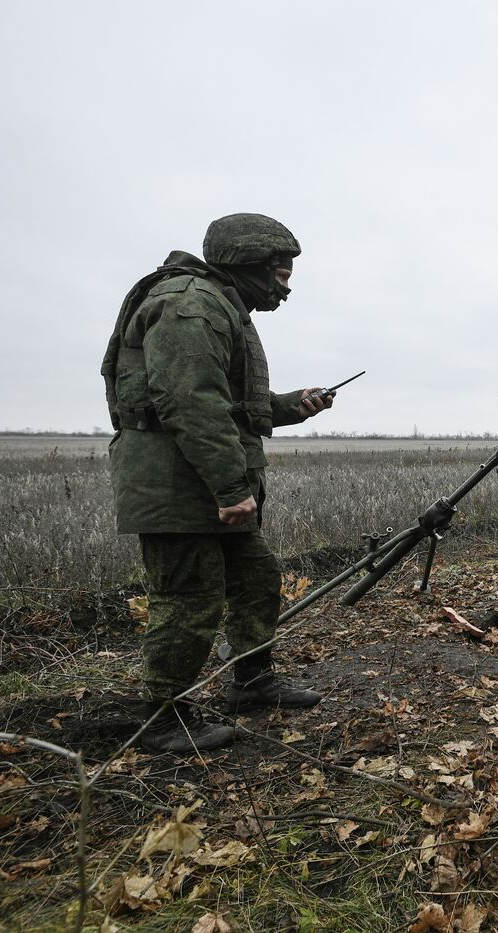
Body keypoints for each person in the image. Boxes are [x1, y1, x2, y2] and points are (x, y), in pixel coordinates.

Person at [102, 213, 332, 753]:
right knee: (188, 598)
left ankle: (250, 683)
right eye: (280, 271)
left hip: (198, 479)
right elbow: (189, 403)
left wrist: (292, 407)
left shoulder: (218, 305)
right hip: (176, 484)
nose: (287, 283)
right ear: (248, 263)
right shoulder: (193, 304)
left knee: (256, 577)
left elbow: (229, 405)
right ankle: (160, 718)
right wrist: (231, 489)